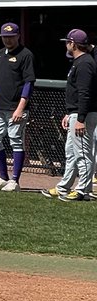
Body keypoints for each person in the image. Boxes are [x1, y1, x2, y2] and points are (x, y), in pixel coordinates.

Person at [43, 29, 94, 201]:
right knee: (71, 153)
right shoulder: (79, 62)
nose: (66, 45)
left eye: (67, 42)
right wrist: (70, 113)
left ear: (73, 43)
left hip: (84, 116)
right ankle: (64, 187)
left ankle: (83, 191)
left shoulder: (85, 62)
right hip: (76, 113)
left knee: (83, 153)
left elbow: (85, 93)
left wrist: (80, 119)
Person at [0, 23, 36, 192]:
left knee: (15, 140)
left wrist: (21, 108)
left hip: (15, 107)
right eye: (5, 37)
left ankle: (14, 180)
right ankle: (2, 176)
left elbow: (29, 82)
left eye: (11, 36)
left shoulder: (25, 54)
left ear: (18, 36)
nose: (8, 40)